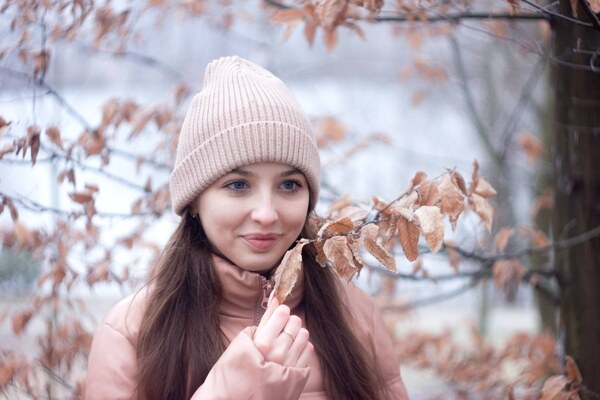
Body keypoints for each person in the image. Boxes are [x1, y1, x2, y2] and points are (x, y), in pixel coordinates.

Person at [85, 56, 408, 400]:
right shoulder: (131, 333)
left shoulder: (354, 316)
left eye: (288, 186)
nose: (267, 214)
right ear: (194, 200)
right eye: (238, 185)